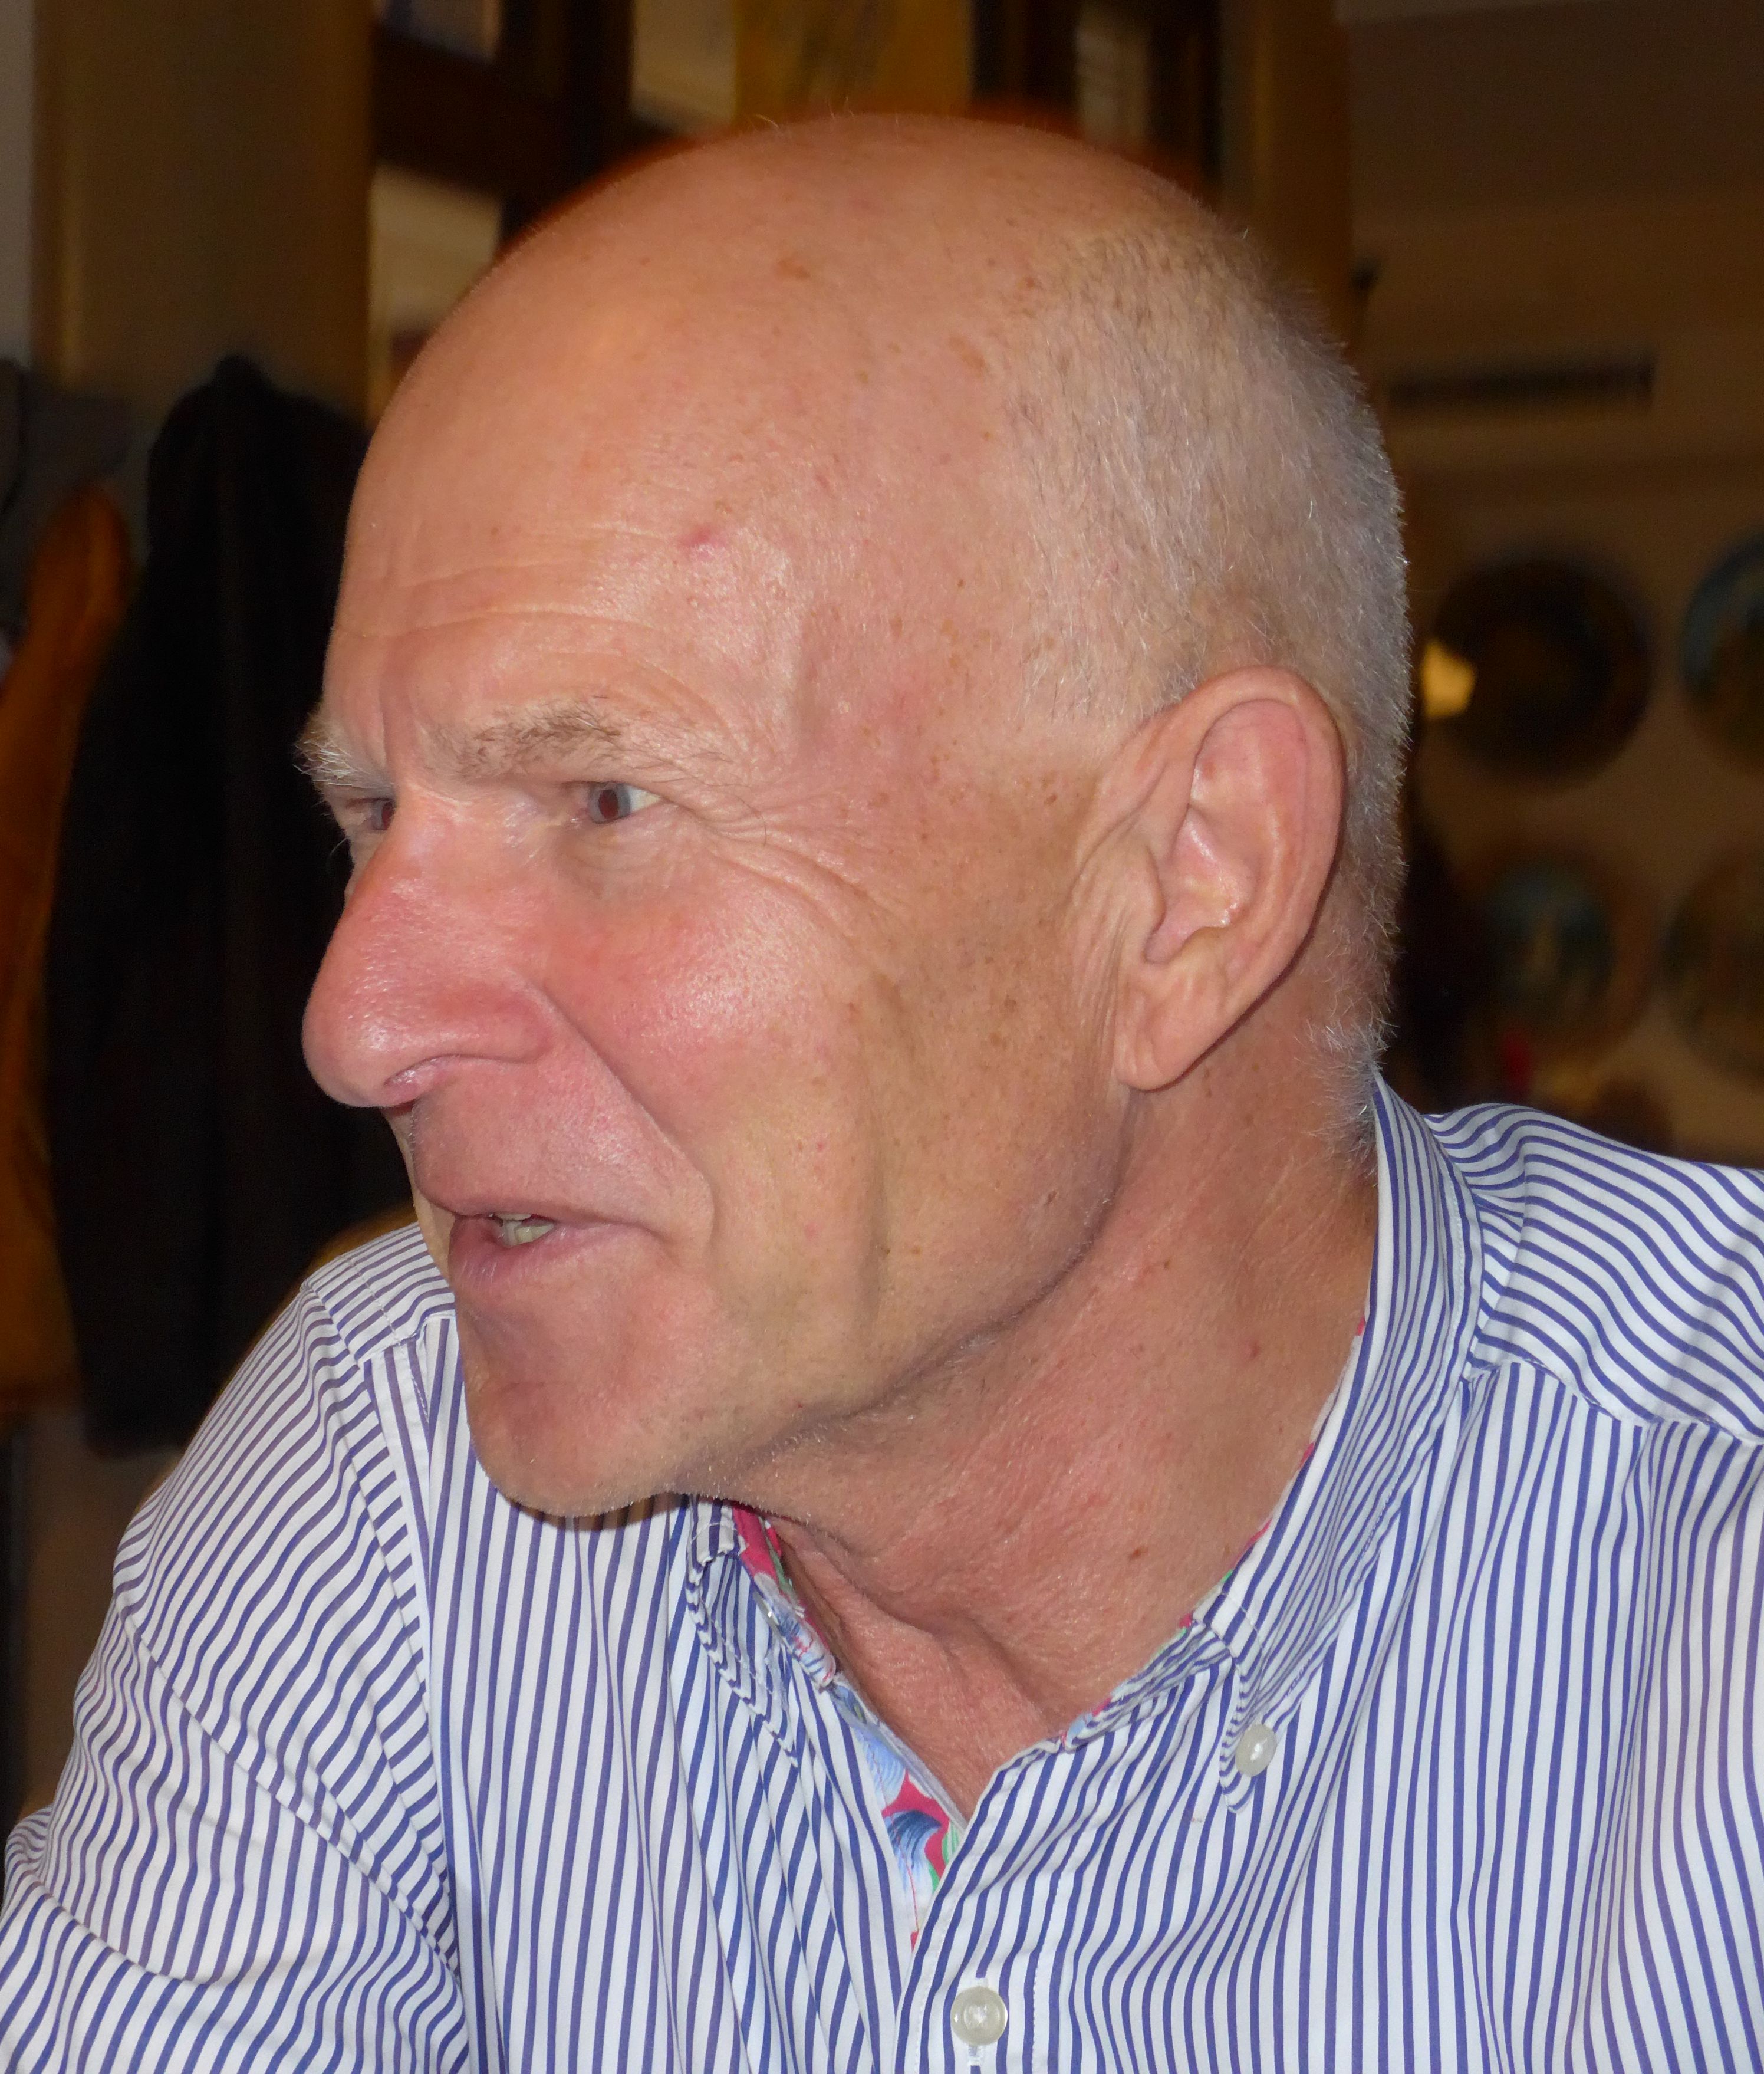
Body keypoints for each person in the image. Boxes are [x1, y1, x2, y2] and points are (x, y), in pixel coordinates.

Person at [2, 116, 1760, 2072]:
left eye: (606, 802)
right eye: (374, 818)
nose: (354, 1027)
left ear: (1193, 881)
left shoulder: (1718, 1581)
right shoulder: (390, 1471)